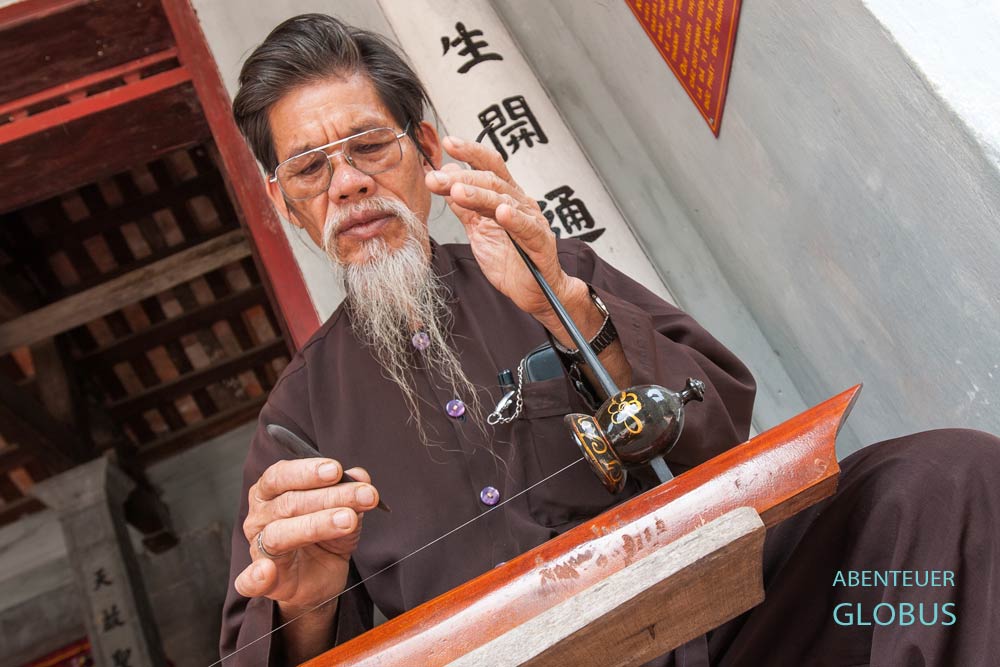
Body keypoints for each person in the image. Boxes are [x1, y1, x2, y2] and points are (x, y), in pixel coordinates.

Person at [220, 14, 1000, 666]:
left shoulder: (552, 272)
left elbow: (720, 426)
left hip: (715, 632)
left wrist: (567, 309)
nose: (348, 183)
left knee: (942, 482)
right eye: (311, 168)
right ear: (285, 202)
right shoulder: (297, 425)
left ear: (425, 151)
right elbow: (273, 636)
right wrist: (310, 606)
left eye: (369, 146)